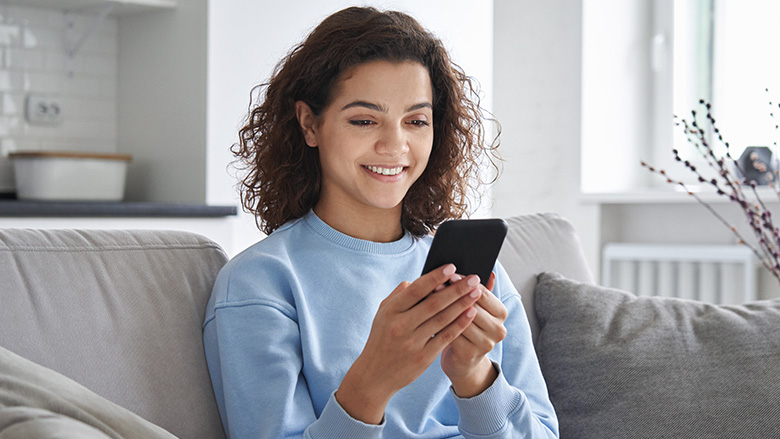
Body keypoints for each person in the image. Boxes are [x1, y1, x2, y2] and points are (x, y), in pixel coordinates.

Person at [203, 6, 558, 439]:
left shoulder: (479, 279)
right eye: (364, 120)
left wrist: (474, 377)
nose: (395, 144)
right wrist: (372, 382)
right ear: (309, 123)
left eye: (416, 121)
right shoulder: (259, 283)